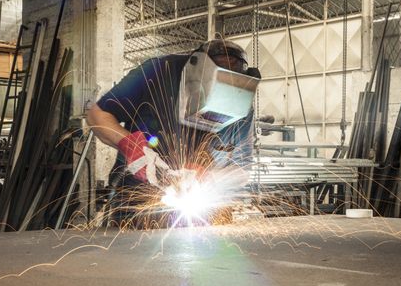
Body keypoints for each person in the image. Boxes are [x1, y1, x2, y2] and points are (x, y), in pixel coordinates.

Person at [88, 39, 267, 194]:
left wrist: (210, 178)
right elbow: (97, 115)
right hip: (135, 202)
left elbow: (242, 169)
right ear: (194, 77)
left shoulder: (242, 103)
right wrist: (130, 145)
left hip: (199, 210)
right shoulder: (157, 71)